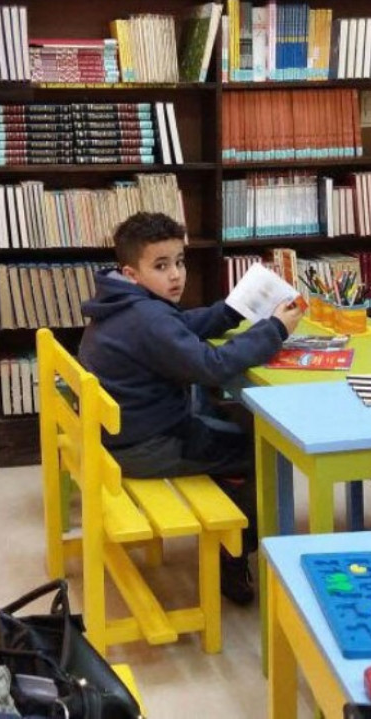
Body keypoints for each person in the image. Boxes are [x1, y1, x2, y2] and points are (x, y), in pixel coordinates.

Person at [78, 211, 304, 605]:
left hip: (126, 434)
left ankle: (230, 523)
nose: (176, 275)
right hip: (149, 445)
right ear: (132, 273)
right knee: (261, 452)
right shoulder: (147, 317)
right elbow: (210, 367)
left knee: (231, 420)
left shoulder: (120, 302)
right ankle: (233, 555)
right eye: (161, 266)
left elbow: (180, 327)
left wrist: (232, 311)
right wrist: (276, 330)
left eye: (179, 262)